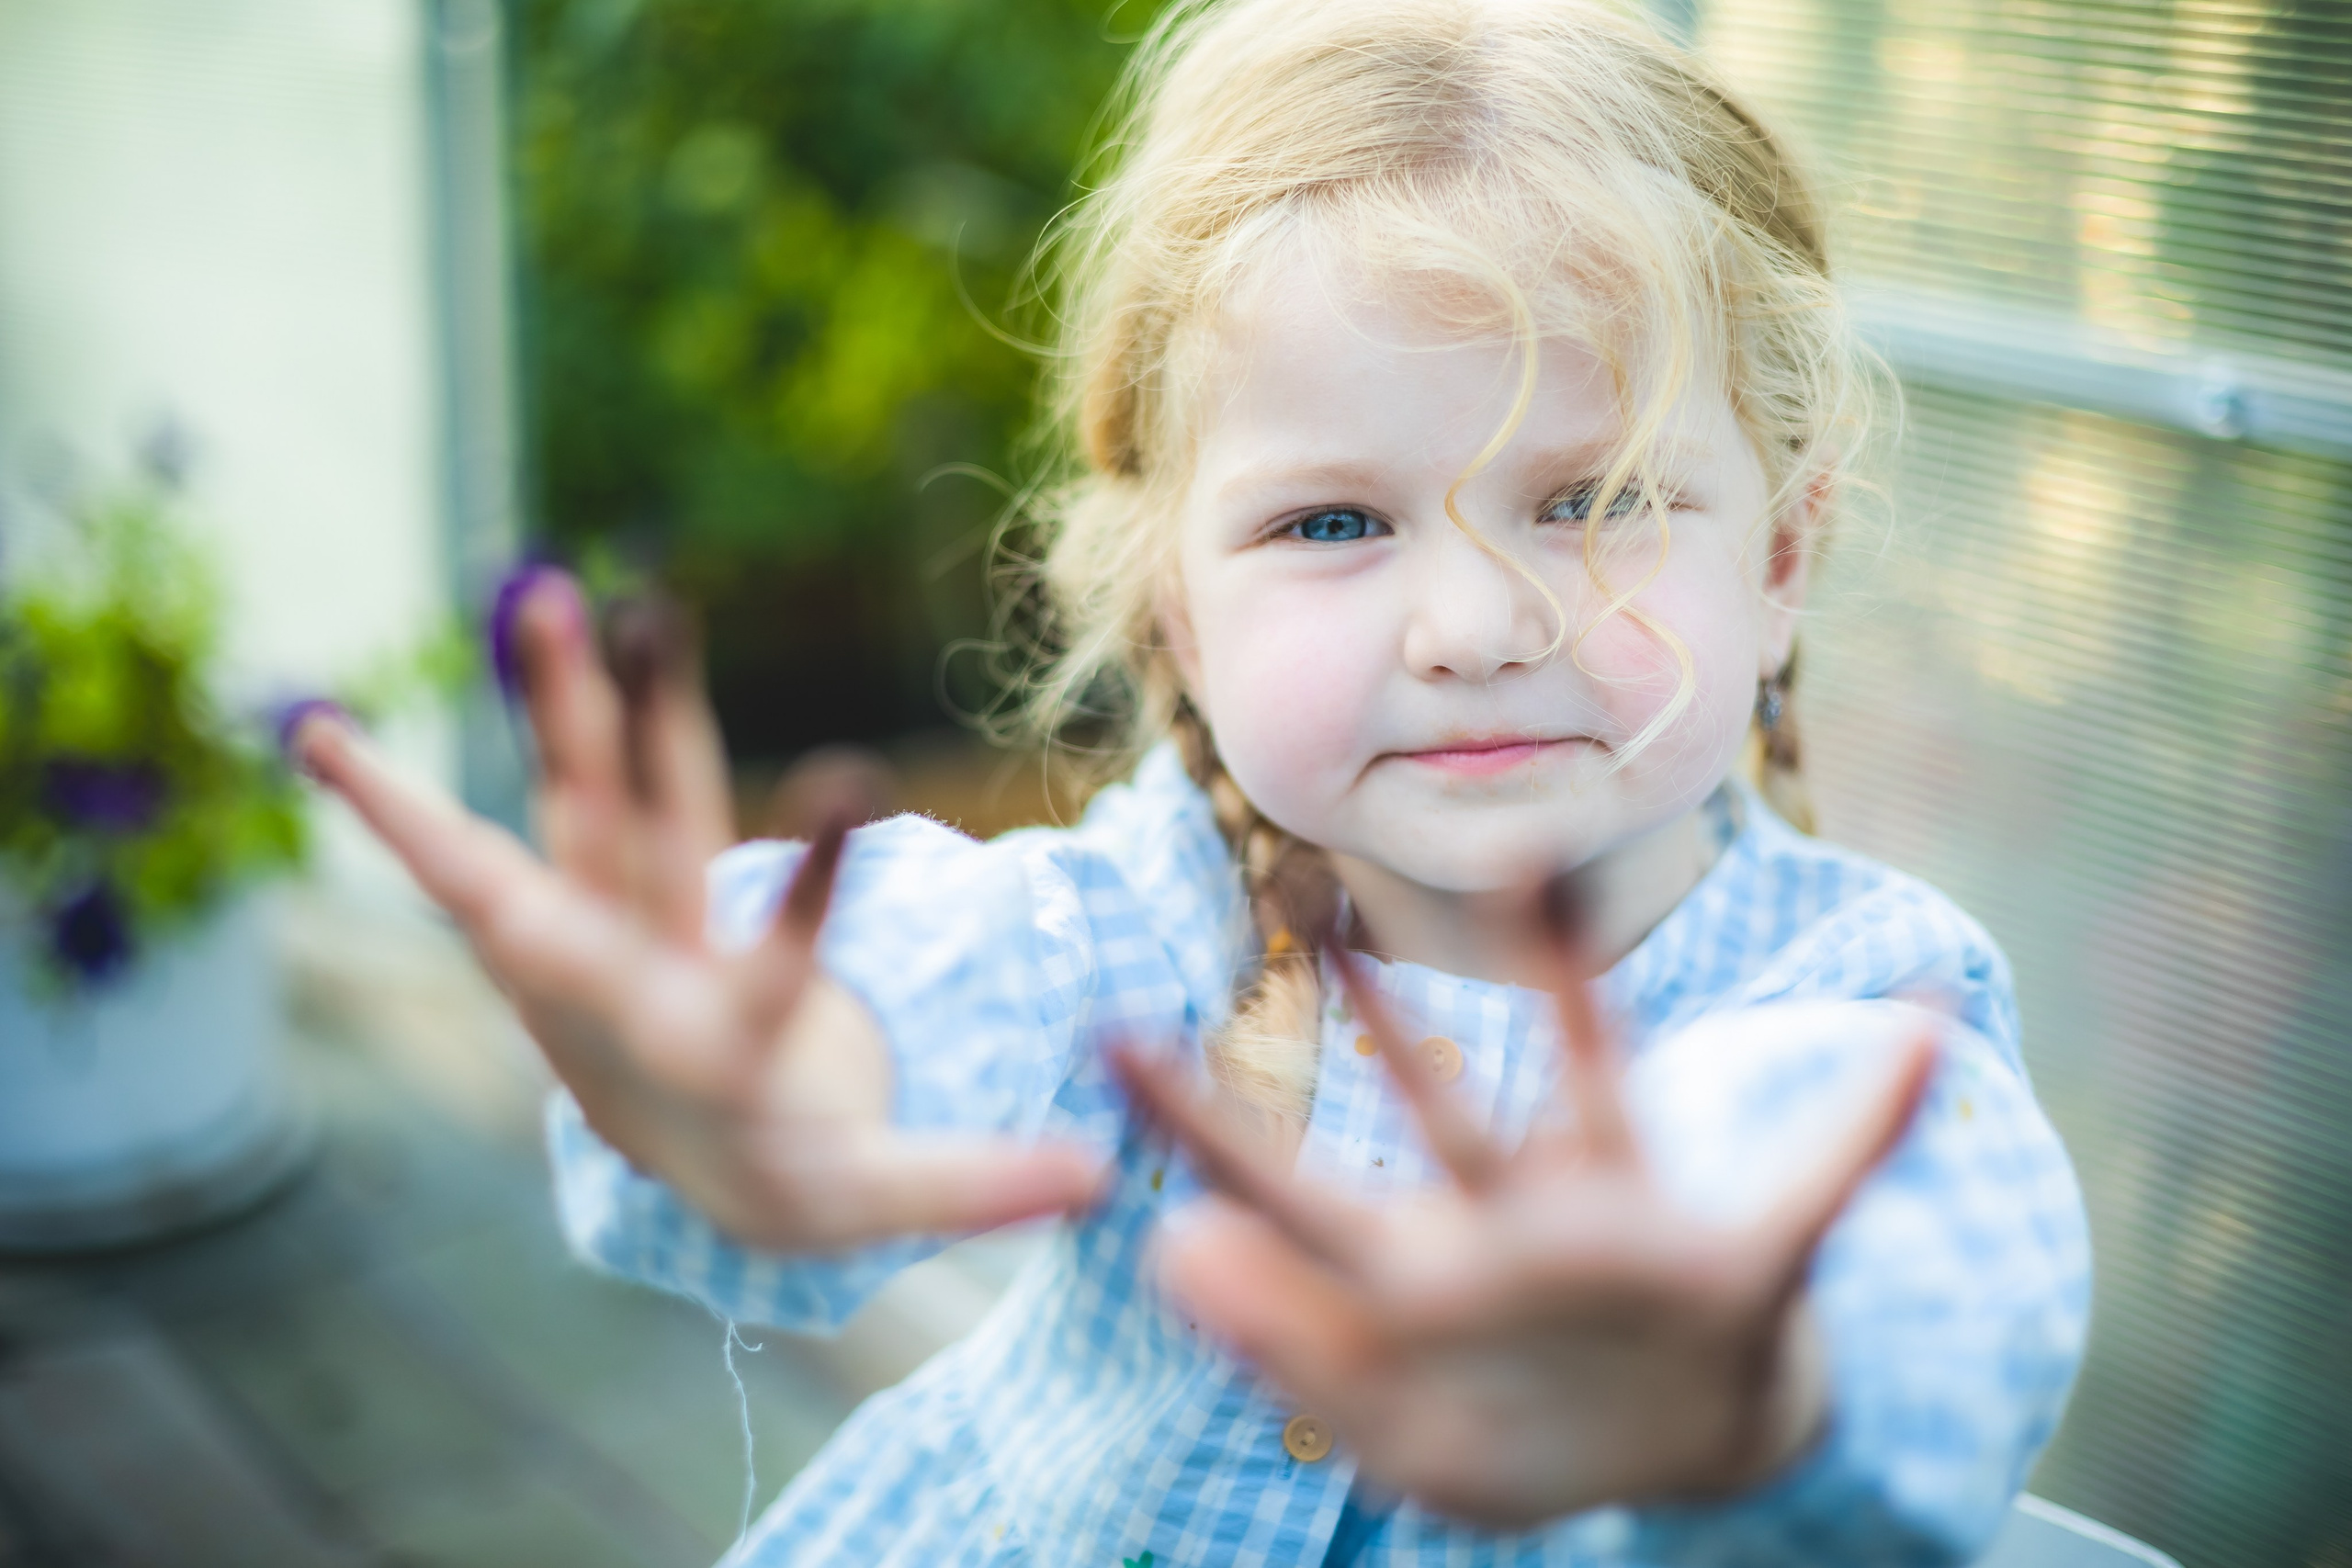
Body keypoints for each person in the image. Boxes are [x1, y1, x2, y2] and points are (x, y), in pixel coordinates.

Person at [291, 0, 2092, 1561]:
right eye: (1329, 519)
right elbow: (937, 969)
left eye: (1593, 495)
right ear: (1176, 599)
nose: (1471, 620)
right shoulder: (1148, 915)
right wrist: (788, 1077)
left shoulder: (1864, 1008)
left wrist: (1741, 1377)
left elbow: (1919, 1281)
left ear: (1780, 550)